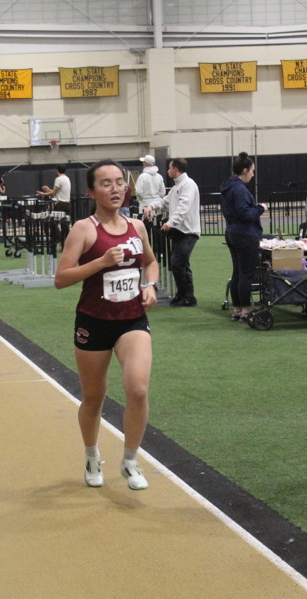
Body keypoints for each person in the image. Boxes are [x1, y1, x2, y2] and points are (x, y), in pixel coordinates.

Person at [54, 159, 159, 491]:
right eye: (106, 183)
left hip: (132, 320)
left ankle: (130, 460)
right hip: (93, 322)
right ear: (91, 192)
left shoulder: (137, 227)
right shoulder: (83, 230)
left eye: (119, 182)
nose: (115, 189)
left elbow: (151, 262)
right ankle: (91, 455)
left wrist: (150, 285)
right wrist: (100, 262)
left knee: (138, 389)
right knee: (94, 397)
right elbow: (61, 279)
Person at [143, 158, 200, 307]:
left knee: (177, 263)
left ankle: (187, 296)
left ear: (176, 168)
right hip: (179, 231)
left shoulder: (188, 185)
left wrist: (170, 223)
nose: (168, 171)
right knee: (181, 264)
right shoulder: (177, 187)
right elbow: (165, 202)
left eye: (169, 168)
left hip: (188, 231)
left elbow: (183, 208)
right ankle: (185, 296)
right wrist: (151, 205)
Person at [221, 152, 268, 322]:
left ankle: (237, 308)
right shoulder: (240, 189)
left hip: (232, 232)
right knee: (246, 274)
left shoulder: (228, 187)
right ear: (245, 170)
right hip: (245, 234)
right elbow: (245, 213)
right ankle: (246, 310)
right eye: (252, 171)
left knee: (237, 272)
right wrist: (260, 208)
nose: (253, 174)